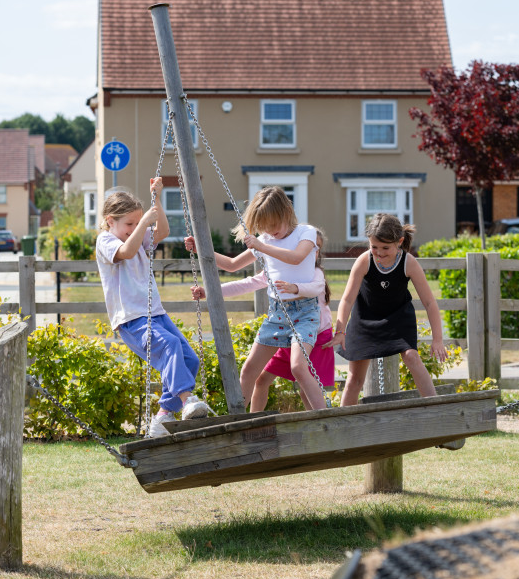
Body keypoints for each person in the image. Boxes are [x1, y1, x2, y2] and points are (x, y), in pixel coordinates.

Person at [185, 186, 326, 412]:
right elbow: (232, 266)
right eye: (264, 228)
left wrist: (262, 245)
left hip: (304, 313)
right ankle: (237, 420)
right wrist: (201, 249)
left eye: (273, 225)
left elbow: (297, 258)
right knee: (249, 369)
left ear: (287, 212)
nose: (270, 232)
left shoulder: (305, 233)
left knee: (299, 367)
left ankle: (323, 417)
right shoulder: (267, 239)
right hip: (277, 313)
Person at [95, 177, 209, 437]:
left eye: (136, 222)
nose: (134, 228)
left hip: (155, 313)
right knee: (168, 346)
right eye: (129, 224)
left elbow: (163, 232)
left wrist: (156, 199)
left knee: (189, 358)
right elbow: (125, 251)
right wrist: (143, 223)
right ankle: (187, 400)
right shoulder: (106, 241)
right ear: (110, 221)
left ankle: (163, 416)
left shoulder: (136, 235)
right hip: (131, 318)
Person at [326, 213, 447, 406]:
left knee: (411, 356)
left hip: (398, 317)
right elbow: (347, 300)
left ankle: (435, 409)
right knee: (354, 379)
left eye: (385, 248)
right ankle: (343, 425)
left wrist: (438, 339)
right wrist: (340, 331)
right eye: (374, 247)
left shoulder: (409, 263)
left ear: (399, 242)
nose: (379, 253)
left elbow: (430, 303)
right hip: (365, 318)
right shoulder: (364, 261)